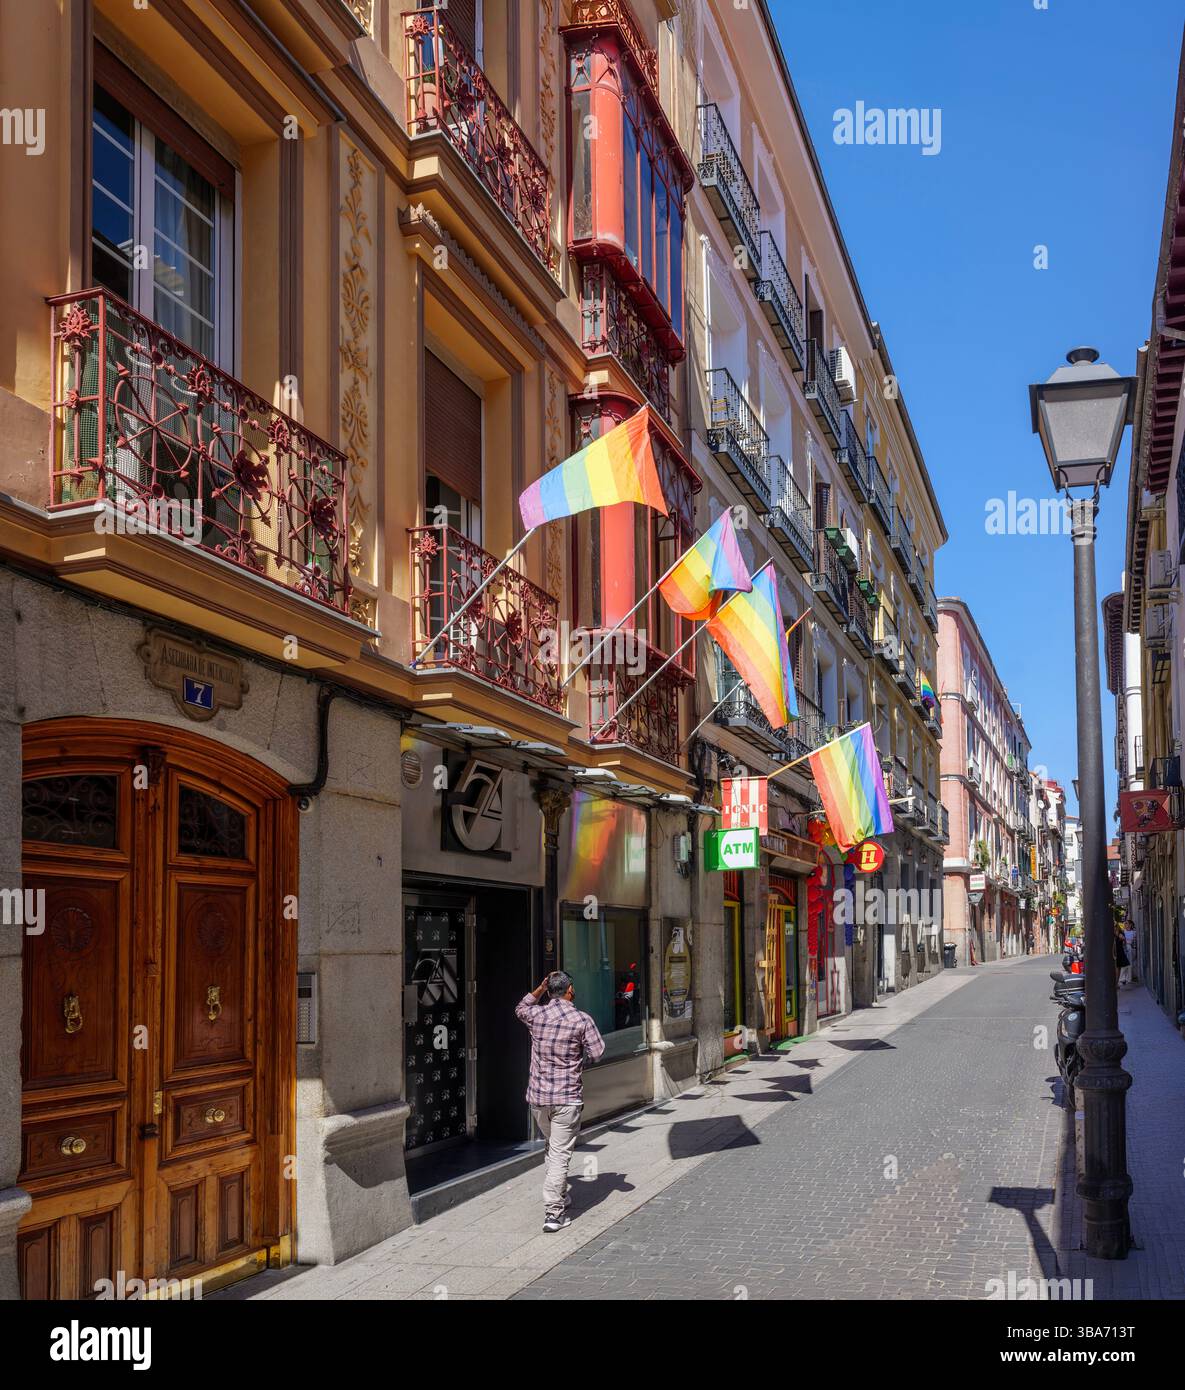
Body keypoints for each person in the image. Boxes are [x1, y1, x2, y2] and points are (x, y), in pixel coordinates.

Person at [515, 971, 605, 1233]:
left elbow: (520, 1007)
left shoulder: (537, 1016)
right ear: (570, 990)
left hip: (539, 1099)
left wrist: (539, 989)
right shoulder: (581, 1020)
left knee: (553, 1148)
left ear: (549, 989)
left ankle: (561, 1194)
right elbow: (598, 1052)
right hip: (566, 1098)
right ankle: (554, 1213)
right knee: (559, 1154)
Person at [1120, 921, 1135, 987]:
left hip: (1130, 948)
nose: (1126, 925)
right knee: (1124, 963)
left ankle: (1128, 979)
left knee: (1130, 963)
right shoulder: (1123, 932)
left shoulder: (1134, 932)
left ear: (1131, 925)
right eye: (1125, 924)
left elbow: (1132, 941)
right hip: (1124, 948)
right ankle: (1123, 978)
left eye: (1128, 924)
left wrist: (1126, 940)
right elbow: (1124, 941)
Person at [1114, 922, 1129, 987]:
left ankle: (1116, 983)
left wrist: (1121, 937)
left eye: (1115, 926)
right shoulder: (1112, 933)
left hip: (1118, 951)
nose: (1114, 928)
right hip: (1115, 951)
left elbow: (1124, 940)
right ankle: (1116, 983)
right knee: (1117, 968)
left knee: (1118, 967)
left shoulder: (1119, 933)